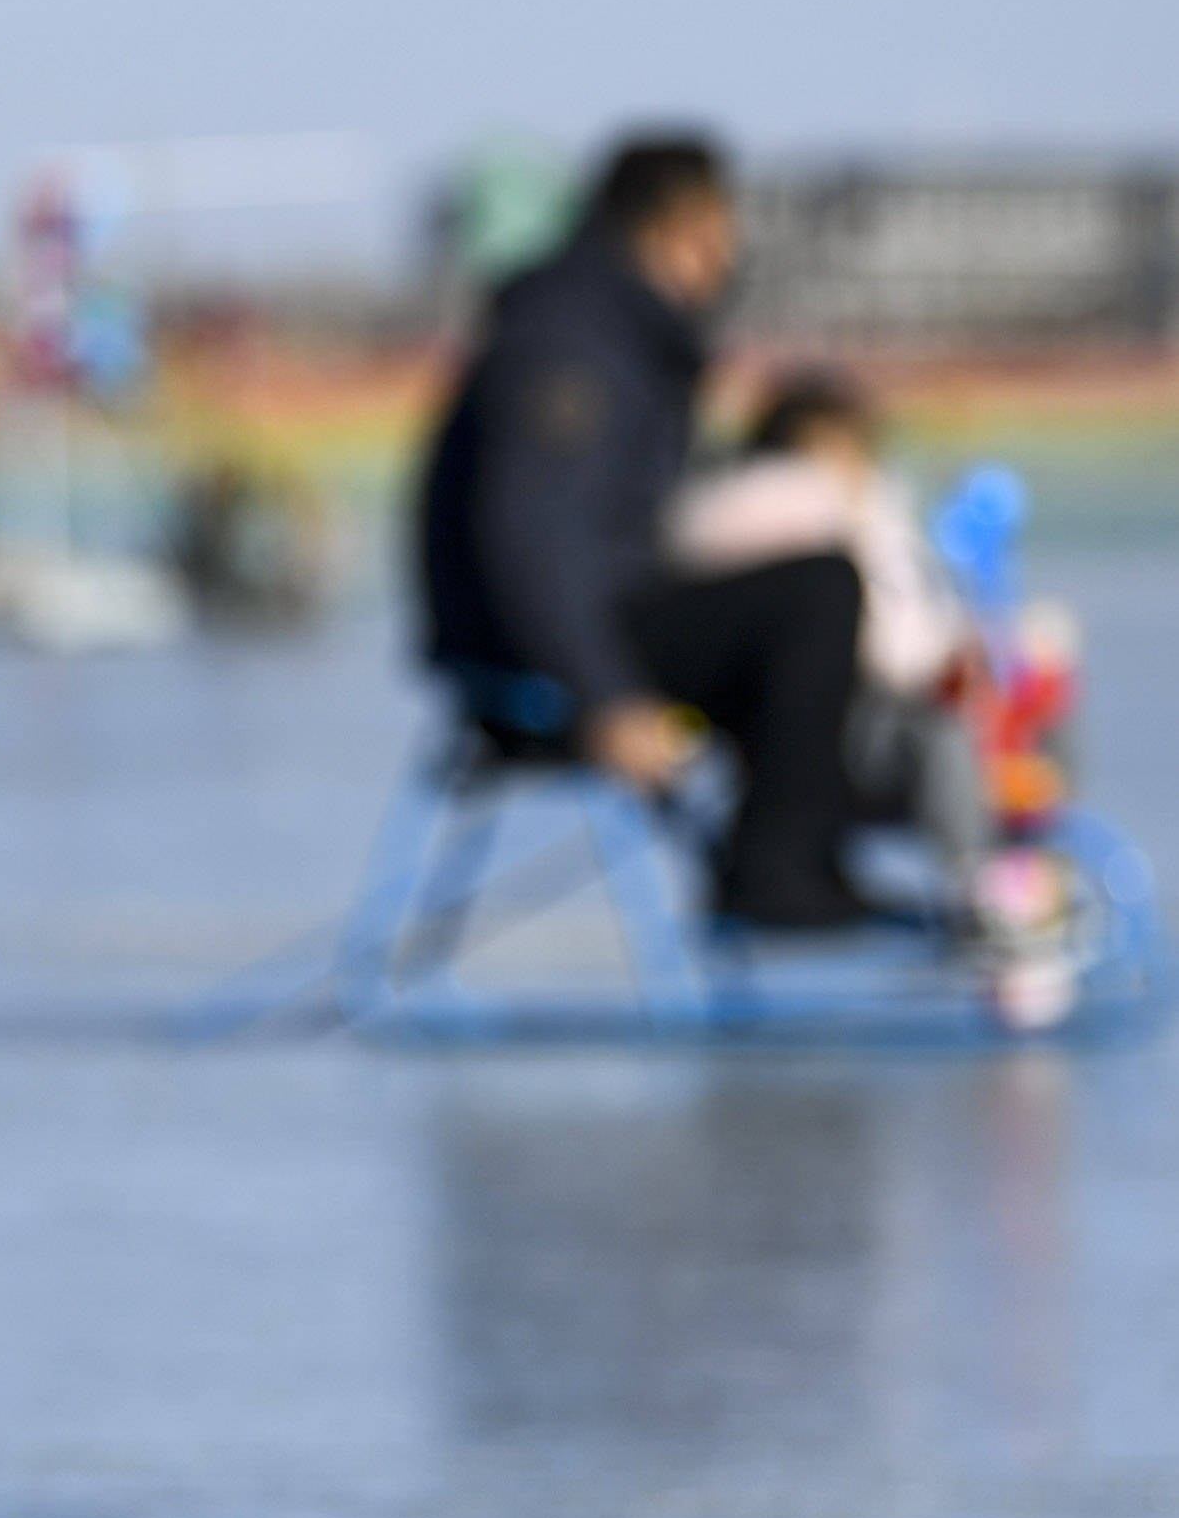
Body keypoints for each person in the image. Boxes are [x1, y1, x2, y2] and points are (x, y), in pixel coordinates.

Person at [414, 129, 869, 930]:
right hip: (533, 653)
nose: (728, 262)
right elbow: (529, 542)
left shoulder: (619, 336)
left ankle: (811, 861)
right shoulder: (569, 344)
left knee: (812, 593)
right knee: (819, 595)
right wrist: (606, 700)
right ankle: (775, 879)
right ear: (675, 230)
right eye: (719, 238)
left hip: (602, 617)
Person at [668, 366, 994, 907]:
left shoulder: (886, 520)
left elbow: (919, 616)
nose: (842, 465)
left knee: (1023, 719)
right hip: (843, 726)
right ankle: (981, 885)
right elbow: (888, 642)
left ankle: (1015, 875)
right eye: (825, 450)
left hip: (900, 705)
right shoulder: (786, 516)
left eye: (853, 448)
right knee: (948, 736)